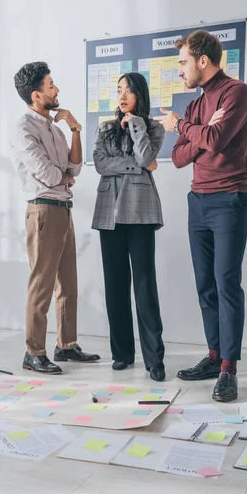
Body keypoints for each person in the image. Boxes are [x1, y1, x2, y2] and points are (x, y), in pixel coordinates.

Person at [155, 31, 247, 402]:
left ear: (202, 60)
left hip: (230, 198)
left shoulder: (237, 93)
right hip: (198, 200)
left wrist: (183, 127)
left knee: (227, 284)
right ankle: (214, 356)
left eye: (182, 62)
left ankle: (229, 369)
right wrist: (202, 130)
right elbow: (179, 158)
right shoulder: (198, 106)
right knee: (205, 285)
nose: (179, 70)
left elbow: (215, 141)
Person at [10, 61, 100, 374]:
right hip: (44, 210)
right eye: (51, 85)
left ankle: (67, 345)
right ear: (36, 95)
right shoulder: (23, 128)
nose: (56, 89)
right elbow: (48, 175)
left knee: (69, 284)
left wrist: (75, 128)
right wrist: (64, 176)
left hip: (63, 210)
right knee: (42, 284)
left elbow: (74, 168)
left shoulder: (55, 128)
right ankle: (33, 352)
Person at [92, 72, 166, 382]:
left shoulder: (153, 128)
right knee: (115, 287)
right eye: (118, 90)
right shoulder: (105, 128)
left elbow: (148, 159)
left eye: (128, 91)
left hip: (140, 212)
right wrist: (133, 165)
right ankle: (122, 353)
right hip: (109, 212)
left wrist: (135, 125)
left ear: (140, 95)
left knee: (145, 287)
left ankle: (154, 359)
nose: (122, 96)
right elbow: (99, 163)